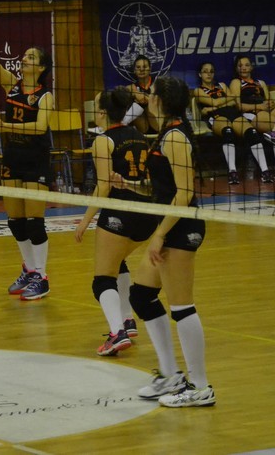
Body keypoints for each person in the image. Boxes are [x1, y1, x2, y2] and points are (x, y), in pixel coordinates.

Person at [112, 75, 215, 407]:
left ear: (160, 99)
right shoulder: (165, 133)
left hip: (181, 228)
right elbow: (161, 190)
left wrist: (158, 235)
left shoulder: (176, 137)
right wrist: (129, 185)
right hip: (169, 225)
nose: (146, 97)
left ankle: (200, 386)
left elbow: (184, 194)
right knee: (141, 296)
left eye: (151, 93)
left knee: (182, 306)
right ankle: (171, 375)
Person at [0, 32, 55, 301]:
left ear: (41, 67)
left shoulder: (45, 96)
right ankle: (29, 270)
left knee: (34, 221)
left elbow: (40, 128)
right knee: (16, 221)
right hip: (13, 158)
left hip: (36, 160)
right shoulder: (12, 86)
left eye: (31, 57)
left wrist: (5, 126)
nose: (24, 59)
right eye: (24, 56)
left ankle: (42, 277)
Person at [75, 89, 155, 356]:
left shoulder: (102, 141)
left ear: (102, 113)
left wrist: (85, 221)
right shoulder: (140, 135)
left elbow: (103, 186)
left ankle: (116, 333)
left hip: (120, 214)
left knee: (101, 280)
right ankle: (127, 320)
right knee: (117, 262)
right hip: (148, 214)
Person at [193, 61, 273, 185]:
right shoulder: (198, 90)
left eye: (211, 71)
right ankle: (232, 172)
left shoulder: (222, 85)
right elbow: (216, 102)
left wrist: (214, 106)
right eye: (205, 72)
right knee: (228, 132)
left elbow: (234, 101)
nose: (208, 74)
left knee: (252, 133)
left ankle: (265, 171)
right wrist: (220, 103)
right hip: (217, 117)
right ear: (200, 74)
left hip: (232, 113)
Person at [229, 55, 275, 180]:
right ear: (236, 69)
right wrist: (260, 106)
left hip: (266, 112)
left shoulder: (260, 83)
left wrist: (271, 104)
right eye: (240, 65)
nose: (244, 68)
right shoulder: (236, 82)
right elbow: (238, 106)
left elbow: (269, 101)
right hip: (251, 114)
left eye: (247, 65)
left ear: (251, 67)